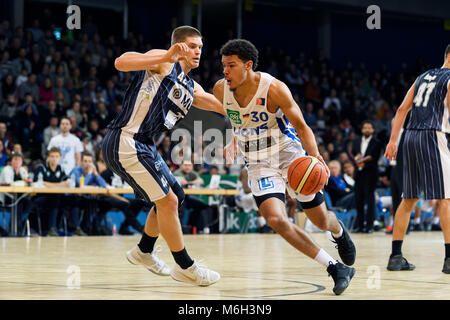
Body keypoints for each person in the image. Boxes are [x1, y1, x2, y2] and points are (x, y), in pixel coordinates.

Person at [212, 39, 356, 295]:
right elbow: (235, 119)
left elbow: (302, 127)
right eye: (223, 65)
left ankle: (338, 230)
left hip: (289, 157)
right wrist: (233, 139)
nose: (225, 71)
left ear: (248, 66)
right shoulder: (220, 89)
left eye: (231, 66)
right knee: (275, 218)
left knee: (321, 220)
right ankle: (335, 268)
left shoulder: (274, 89)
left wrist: (316, 157)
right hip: (257, 162)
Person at [102, 26, 224, 286]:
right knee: (167, 202)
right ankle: (186, 266)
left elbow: (217, 104)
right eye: (192, 45)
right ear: (179, 45)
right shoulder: (164, 61)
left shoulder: (190, 86)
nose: (197, 51)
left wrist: (250, 115)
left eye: (200, 47)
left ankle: (143, 251)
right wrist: (165, 56)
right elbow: (121, 62)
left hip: (144, 145)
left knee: (176, 198)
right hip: (126, 139)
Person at [385, 44, 450, 274]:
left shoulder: (422, 76)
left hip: (409, 137)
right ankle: (449, 260)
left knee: (408, 198)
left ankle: (395, 256)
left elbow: (402, 109)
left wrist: (393, 141)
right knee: (445, 198)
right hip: (433, 135)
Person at [351, 120, 382, 233]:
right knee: (358, 200)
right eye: (365, 128)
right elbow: (353, 154)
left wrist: (362, 161)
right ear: (362, 129)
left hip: (370, 174)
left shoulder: (377, 142)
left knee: (370, 201)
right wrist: (356, 159)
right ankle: (360, 226)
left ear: (373, 130)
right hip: (358, 173)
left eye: (369, 128)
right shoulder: (356, 141)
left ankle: (369, 226)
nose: (367, 130)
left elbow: (374, 158)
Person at [32, 147, 69, 236]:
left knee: (73, 200)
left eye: (56, 156)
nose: (54, 159)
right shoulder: (42, 168)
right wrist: (59, 184)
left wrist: (50, 184)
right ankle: (52, 228)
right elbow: (39, 182)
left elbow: (67, 183)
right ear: (48, 157)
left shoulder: (61, 168)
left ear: (60, 158)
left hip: (56, 197)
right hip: (40, 197)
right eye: (52, 156)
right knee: (55, 198)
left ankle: (72, 228)